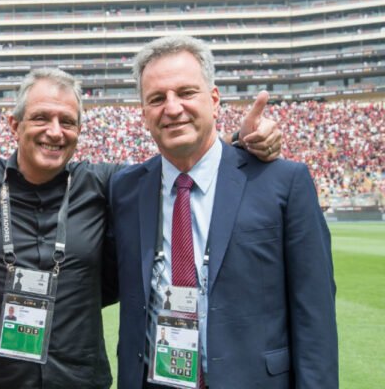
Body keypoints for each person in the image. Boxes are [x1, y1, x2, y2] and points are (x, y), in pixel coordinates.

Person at [0, 67, 282, 388]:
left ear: (79, 130)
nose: (54, 131)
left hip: (77, 379)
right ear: (14, 124)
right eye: (41, 118)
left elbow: (173, 166)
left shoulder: (103, 183)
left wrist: (239, 140)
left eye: (67, 121)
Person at [108, 35, 337, 389]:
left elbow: (315, 314)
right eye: (157, 98)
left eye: (186, 93)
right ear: (143, 114)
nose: (172, 108)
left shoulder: (282, 181)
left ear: (214, 101)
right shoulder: (125, 188)